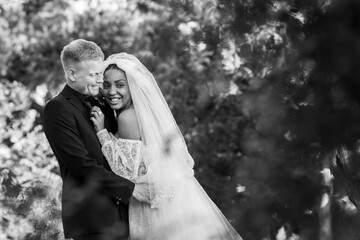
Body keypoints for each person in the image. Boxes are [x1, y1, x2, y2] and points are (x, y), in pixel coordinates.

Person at [90, 52, 242, 240]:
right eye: (106, 85)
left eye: (120, 85)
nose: (112, 92)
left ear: (133, 87)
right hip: (175, 200)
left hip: (150, 206)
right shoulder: (142, 114)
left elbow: (128, 172)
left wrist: (102, 134)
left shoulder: (127, 117)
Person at [43, 40, 150, 240]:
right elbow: (82, 166)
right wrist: (133, 189)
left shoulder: (103, 102)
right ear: (72, 74)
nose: (101, 80)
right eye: (94, 74)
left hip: (126, 217)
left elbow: (120, 151)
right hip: (92, 221)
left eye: (100, 73)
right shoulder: (57, 109)